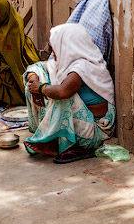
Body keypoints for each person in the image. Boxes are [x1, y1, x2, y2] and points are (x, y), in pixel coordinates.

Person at [23, 23, 116, 163]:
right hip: (81, 123)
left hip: (95, 131)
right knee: (36, 78)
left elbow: (62, 92)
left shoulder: (83, 66)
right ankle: (49, 134)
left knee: (63, 96)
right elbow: (37, 67)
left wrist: (41, 89)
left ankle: (56, 143)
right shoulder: (65, 63)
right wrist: (35, 83)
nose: (52, 52)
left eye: (53, 47)